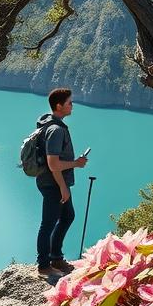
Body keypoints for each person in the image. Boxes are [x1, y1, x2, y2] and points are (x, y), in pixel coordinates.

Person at [35, 88, 88, 279]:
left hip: (54, 182)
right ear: (59, 106)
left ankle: (56, 257)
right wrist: (76, 165)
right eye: (69, 103)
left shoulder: (50, 124)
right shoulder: (56, 130)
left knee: (67, 216)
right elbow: (53, 164)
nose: (72, 105)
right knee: (48, 223)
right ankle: (43, 265)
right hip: (53, 184)